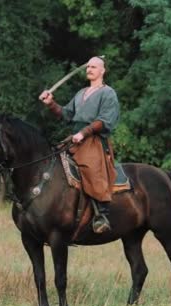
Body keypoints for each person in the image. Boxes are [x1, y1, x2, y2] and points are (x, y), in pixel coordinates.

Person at [38, 56, 120, 233]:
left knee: (90, 169)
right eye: (88, 67)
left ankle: (101, 214)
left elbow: (104, 120)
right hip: (74, 139)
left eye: (94, 67)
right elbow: (66, 114)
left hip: (94, 141)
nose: (89, 69)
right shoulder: (80, 93)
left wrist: (84, 133)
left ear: (102, 71)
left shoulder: (108, 93)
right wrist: (51, 103)